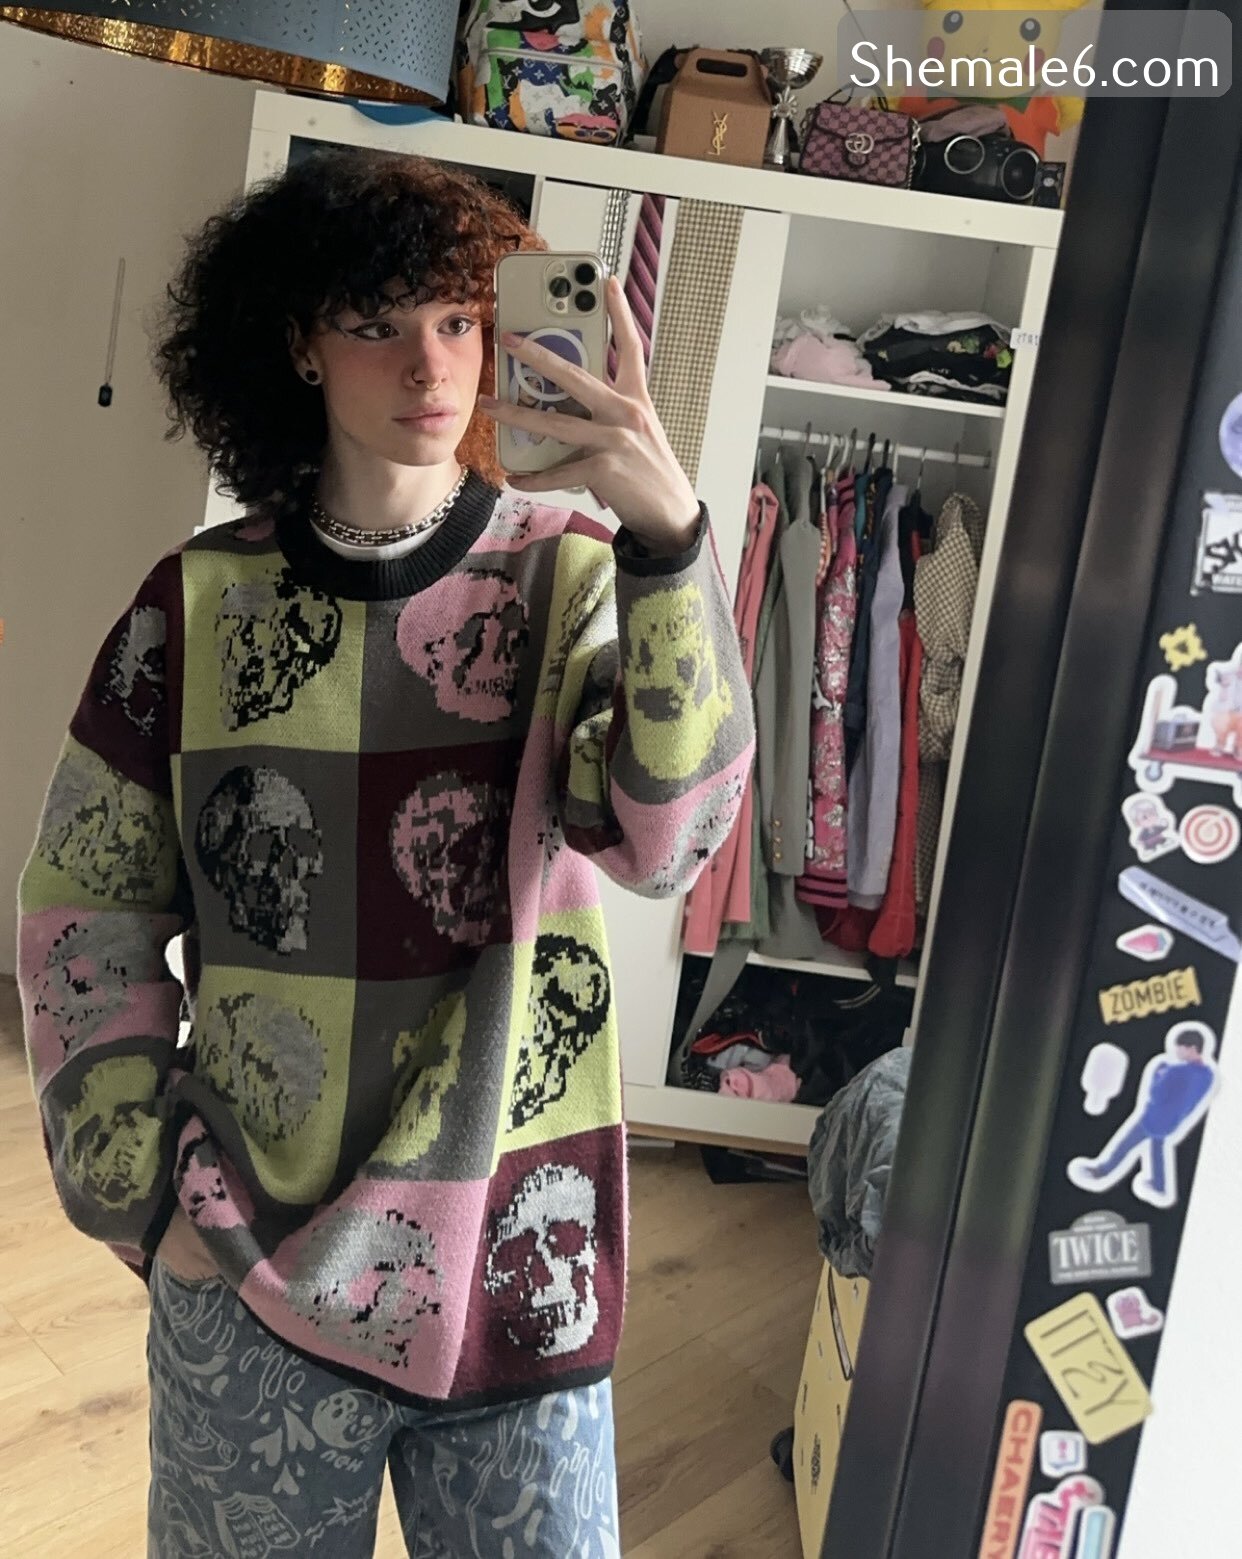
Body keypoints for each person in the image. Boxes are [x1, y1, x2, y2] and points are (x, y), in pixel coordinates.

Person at [17, 149, 753, 1557]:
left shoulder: (572, 576)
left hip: (516, 1258)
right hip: (251, 1258)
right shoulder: (196, 605)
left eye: (459, 318)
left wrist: (666, 537)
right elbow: (81, 912)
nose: (431, 364)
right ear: (298, 344)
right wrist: (144, 1189)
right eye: (375, 323)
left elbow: (670, 841)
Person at [1068, 1022, 1218, 1209]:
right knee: (1157, 1148)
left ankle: (1103, 1171)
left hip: (1154, 1118)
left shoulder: (1176, 1071)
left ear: (1192, 1048)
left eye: (1180, 1048)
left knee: (1126, 1144)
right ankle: (1160, 1185)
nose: (1176, 1052)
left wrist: (1159, 1074)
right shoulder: (1208, 1075)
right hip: (1173, 1121)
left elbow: (1156, 1093)